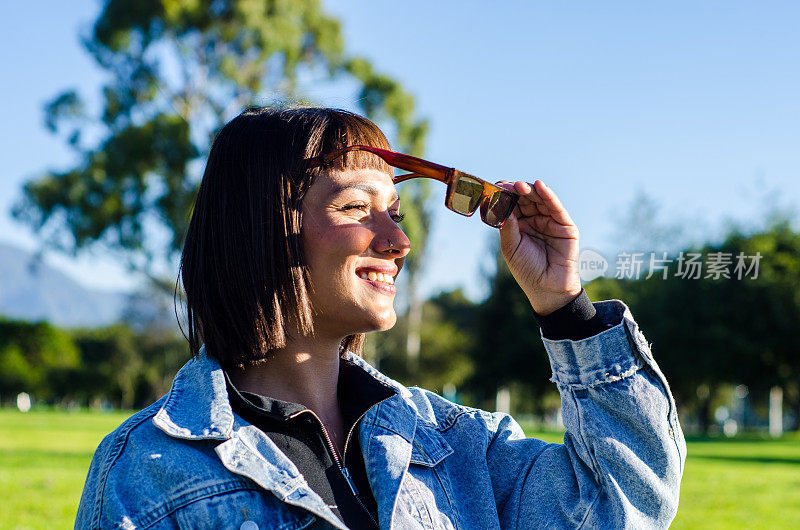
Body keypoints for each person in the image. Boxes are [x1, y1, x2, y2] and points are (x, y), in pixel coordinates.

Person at [76, 107, 685, 529]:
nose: (398, 240)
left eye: (394, 210)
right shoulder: (146, 468)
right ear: (263, 231)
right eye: (355, 208)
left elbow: (624, 502)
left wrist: (564, 307)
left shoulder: (454, 444)